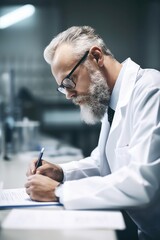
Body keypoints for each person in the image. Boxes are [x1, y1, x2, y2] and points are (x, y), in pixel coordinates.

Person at [25, 26, 160, 240]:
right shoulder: (113, 99)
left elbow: (142, 181)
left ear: (96, 57)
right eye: (62, 87)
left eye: (69, 81)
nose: (68, 95)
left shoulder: (152, 91)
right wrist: (61, 172)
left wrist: (59, 192)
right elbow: (103, 163)